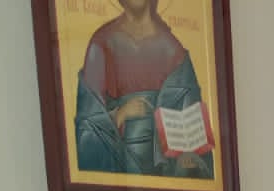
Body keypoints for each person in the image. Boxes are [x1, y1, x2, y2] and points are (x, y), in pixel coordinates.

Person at [74, 0, 214, 179]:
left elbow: (191, 119)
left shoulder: (173, 48)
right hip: (122, 163)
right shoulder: (102, 42)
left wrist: (188, 155)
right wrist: (119, 115)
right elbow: (87, 122)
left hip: (163, 169)